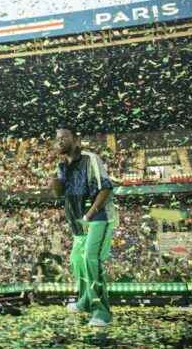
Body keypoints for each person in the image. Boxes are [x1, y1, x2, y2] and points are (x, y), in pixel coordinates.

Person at [48, 126, 117, 327]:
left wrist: (89, 215)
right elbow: (58, 194)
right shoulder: (62, 166)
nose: (59, 141)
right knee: (77, 260)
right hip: (78, 223)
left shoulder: (90, 159)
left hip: (97, 218)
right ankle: (86, 300)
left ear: (76, 140)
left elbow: (105, 188)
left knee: (90, 259)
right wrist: (55, 177)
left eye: (64, 137)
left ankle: (102, 311)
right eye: (57, 138)